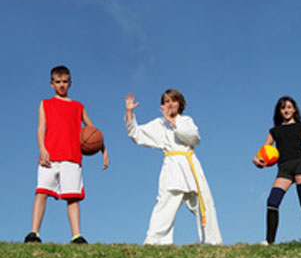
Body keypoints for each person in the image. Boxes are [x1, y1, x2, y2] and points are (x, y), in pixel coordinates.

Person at [124, 90, 222, 245]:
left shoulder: (186, 120)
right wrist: (129, 112)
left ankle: (212, 241)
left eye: (173, 100)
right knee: (165, 204)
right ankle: (156, 241)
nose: (170, 104)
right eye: (166, 101)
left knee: (205, 204)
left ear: (180, 103)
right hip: (172, 167)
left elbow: (194, 138)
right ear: (162, 105)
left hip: (191, 166)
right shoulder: (159, 124)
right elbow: (136, 134)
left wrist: (172, 122)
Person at [25, 65, 109, 244]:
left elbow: (92, 131)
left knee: (72, 197)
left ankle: (77, 236)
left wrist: (104, 149)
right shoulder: (45, 103)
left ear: (70, 83)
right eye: (58, 82)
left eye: (64, 82)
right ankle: (34, 233)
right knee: (41, 192)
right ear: (51, 84)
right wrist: (42, 149)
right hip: (49, 155)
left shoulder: (78, 106)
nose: (61, 85)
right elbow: (41, 128)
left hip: (72, 156)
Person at [253, 96, 301, 245]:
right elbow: (262, 152)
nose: (286, 110)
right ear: (279, 111)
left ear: (294, 109)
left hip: (300, 165)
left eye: (289, 107)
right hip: (284, 169)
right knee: (272, 201)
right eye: (283, 108)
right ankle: (269, 241)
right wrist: (256, 161)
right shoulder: (274, 131)